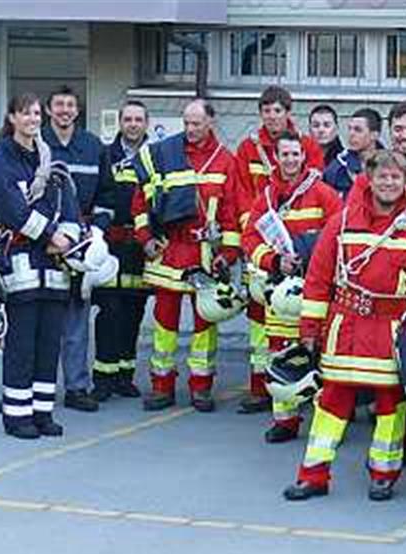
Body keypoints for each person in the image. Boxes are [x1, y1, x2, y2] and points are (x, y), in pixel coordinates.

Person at [282, 150, 406, 503]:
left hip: (391, 330)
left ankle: (384, 475)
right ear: (369, 178)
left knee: (391, 405)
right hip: (346, 326)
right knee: (331, 402)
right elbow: (318, 278)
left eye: (395, 177)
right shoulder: (342, 221)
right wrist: (309, 330)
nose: (389, 183)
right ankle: (313, 475)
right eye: (382, 176)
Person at [131, 99, 243, 412]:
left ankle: (201, 387)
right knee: (164, 322)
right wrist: (145, 238)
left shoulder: (225, 160)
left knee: (204, 323)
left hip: (205, 253)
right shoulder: (164, 154)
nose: (190, 129)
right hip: (168, 249)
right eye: (186, 123)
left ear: (211, 122)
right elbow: (140, 202)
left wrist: (228, 253)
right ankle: (161, 386)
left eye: (196, 123)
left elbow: (231, 211)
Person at [0, 92, 80, 438]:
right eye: (25, 113)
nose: (32, 119)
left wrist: (68, 237)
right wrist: (51, 235)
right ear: (12, 118)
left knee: (48, 346)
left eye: (36, 113)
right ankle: (17, 417)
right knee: (21, 347)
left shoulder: (50, 163)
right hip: (19, 265)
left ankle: (42, 413)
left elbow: (70, 207)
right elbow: (11, 209)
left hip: (53, 271)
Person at [241, 130, 343, 443]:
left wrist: (315, 259)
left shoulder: (324, 193)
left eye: (295, 154)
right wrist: (274, 261)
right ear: (276, 157)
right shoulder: (267, 196)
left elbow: (340, 234)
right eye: (284, 154)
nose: (290, 160)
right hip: (280, 289)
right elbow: (249, 239)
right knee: (279, 354)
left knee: (318, 354)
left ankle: (322, 423)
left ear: (303, 156)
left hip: (315, 289)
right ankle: (284, 421)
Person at [235, 86, 325, 415]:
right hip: (272, 267)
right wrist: (270, 258)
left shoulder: (320, 185)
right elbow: (244, 210)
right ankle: (274, 405)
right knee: (268, 334)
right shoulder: (252, 158)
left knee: (312, 339)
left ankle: (314, 404)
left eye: (278, 110)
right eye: (267, 110)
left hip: (309, 276)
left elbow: (333, 230)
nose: (272, 116)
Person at [44, 85, 111, 413]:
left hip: (81, 245)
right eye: (59, 104)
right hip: (42, 243)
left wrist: (96, 232)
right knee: (37, 323)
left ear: (77, 110)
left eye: (70, 105)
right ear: (48, 110)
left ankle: (76, 388)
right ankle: (30, 388)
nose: (65, 110)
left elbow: (107, 195)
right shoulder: (36, 144)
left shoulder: (93, 146)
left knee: (76, 322)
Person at [91, 100, 152, 402]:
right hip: (111, 246)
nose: (132, 124)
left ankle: (125, 377)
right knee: (109, 312)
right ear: (120, 123)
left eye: (138, 119)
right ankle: (103, 379)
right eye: (128, 119)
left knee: (133, 312)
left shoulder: (154, 157)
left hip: (140, 249)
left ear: (146, 123)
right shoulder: (105, 155)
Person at [322, 108, 383, 198]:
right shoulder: (337, 167)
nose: (351, 134)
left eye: (358, 130)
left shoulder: (390, 164)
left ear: (374, 135)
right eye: (349, 129)